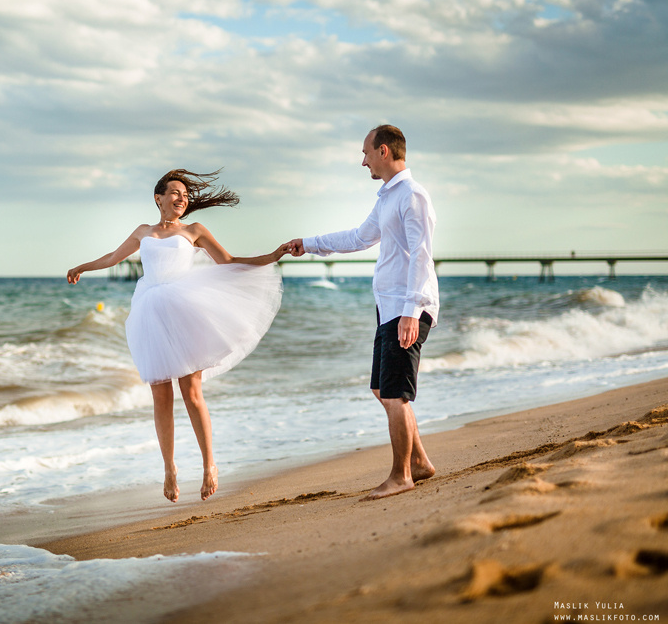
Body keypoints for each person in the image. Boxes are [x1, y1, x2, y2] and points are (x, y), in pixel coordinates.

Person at [68, 169, 288, 502]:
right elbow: (114, 258)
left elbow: (228, 261)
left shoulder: (195, 231)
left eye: (185, 195)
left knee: (192, 392)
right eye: (174, 192)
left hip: (185, 313)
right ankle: (170, 469)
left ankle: (209, 465)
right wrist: (82, 266)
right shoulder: (143, 232)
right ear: (158, 198)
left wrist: (272, 256)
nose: (181, 198)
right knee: (161, 397)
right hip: (150, 314)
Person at [286, 124, 439, 500]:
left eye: (366, 152)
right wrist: (309, 244)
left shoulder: (412, 195)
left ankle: (401, 475)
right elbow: (358, 237)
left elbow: (422, 253)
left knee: (395, 394)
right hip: (389, 306)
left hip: (406, 306)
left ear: (383, 151)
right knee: (381, 388)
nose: (363, 161)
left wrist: (411, 310)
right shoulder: (387, 197)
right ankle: (418, 462)